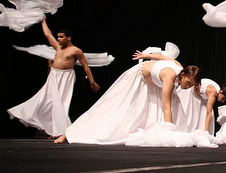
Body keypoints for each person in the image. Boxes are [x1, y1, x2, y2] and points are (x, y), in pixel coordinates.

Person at [54, 51, 201, 145]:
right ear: (183, 75)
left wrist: (146, 55)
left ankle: (176, 130)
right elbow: (166, 106)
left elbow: (163, 57)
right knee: (114, 105)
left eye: (191, 85)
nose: (187, 87)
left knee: (173, 104)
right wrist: (169, 133)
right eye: (188, 83)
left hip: (153, 85)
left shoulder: (178, 66)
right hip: (138, 78)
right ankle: (70, 133)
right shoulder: (170, 76)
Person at [8, 18, 100, 137]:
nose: (58, 39)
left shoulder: (75, 50)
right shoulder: (58, 47)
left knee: (61, 102)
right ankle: (47, 127)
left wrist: (92, 82)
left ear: (69, 38)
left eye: (61, 37)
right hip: (54, 75)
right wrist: (43, 21)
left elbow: (85, 66)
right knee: (44, 100)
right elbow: (48, 34)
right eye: (58, 37)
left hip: (66, 77)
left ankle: (60, 131)